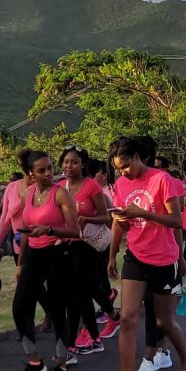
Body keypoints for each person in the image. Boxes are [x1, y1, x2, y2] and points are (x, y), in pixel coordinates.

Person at [102, 136, 186, 371]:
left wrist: (144, 212)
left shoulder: (162, 179)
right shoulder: (120, 184)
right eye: (118, 168)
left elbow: (177, 221)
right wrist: (112, 252)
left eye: (126, 166)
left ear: (138, 157)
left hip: (163, 259)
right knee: (128, 318)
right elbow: (121, 220)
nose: (123, 172)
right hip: (136, 257)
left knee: (163, 322)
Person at [9, 151, 81, 371]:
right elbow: (28, 232)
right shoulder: (28, 194)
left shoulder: (61, 193)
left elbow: (74, 231)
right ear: (30, 173)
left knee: (58, 309)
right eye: (41, 170)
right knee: (20, 306)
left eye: (50, 168)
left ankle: (61, 364)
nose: (48, 173)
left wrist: (50, 230)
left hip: (58, 254)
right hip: (34, 255)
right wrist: (20, 263)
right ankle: (34, 362)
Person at [58, 147, 119, 352]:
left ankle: (88, 339)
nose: (69, 166)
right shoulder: (60, 188)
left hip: (93, 244)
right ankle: (101, 327)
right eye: (66, 162)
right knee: (82, 290)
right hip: (72, 244)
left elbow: (106, 217)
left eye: (74, 162)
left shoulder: (91, 186)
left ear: (82, 164)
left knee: (83, 289)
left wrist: (86, 218)